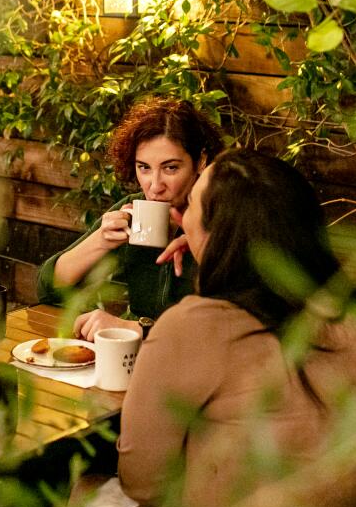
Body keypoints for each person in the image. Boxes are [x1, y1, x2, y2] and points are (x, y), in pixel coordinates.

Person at [69, 149, 356, 507]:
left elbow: (142, 484)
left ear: (216, 233)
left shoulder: (195, 326)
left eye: (190, 204)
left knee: (88, 497)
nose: (179, 215)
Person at [36, 97, 223, 340]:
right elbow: (48, 288)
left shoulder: (226, 217)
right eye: (144, 167)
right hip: (134, 358)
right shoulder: (133, 211)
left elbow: (232, 328)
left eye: (170, 168)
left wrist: (137, 329)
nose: (154, 186)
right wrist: (101, 241)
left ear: (200, 161)